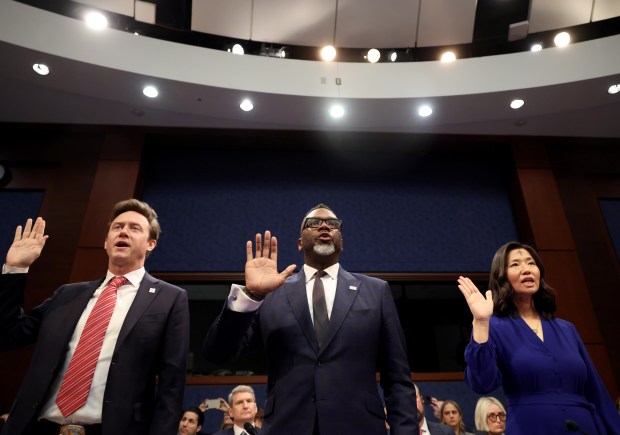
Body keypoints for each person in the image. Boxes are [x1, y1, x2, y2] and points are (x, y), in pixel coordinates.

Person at [203, 204, 417, 434]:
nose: (324, 225)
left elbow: (397, 378)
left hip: (359, 426)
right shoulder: (272, 294)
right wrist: (252, 295)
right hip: (287, 427)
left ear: (341, 242)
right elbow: (218, 354)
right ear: (299, 242)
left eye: (333, 224)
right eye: (314, 223)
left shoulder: (376, 291)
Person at [0, 199, 190, 435]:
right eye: (117, 227)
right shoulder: (67, 295)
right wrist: (15, 269)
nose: (124, 231)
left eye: (134, 228)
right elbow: (8, 335)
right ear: (106, 242)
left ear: (151, 244)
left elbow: (172, 385)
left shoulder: (169, 299)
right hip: (38, 428)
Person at [458, 241, 620, 434]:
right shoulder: (495, 327)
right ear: (502, 277)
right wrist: (482, 322)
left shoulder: (567, 329)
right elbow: (482, 383)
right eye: (515, 264)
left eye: (531, 263)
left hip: (583, 427)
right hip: (530, 426)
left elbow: (596, 391)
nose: (526, 269)